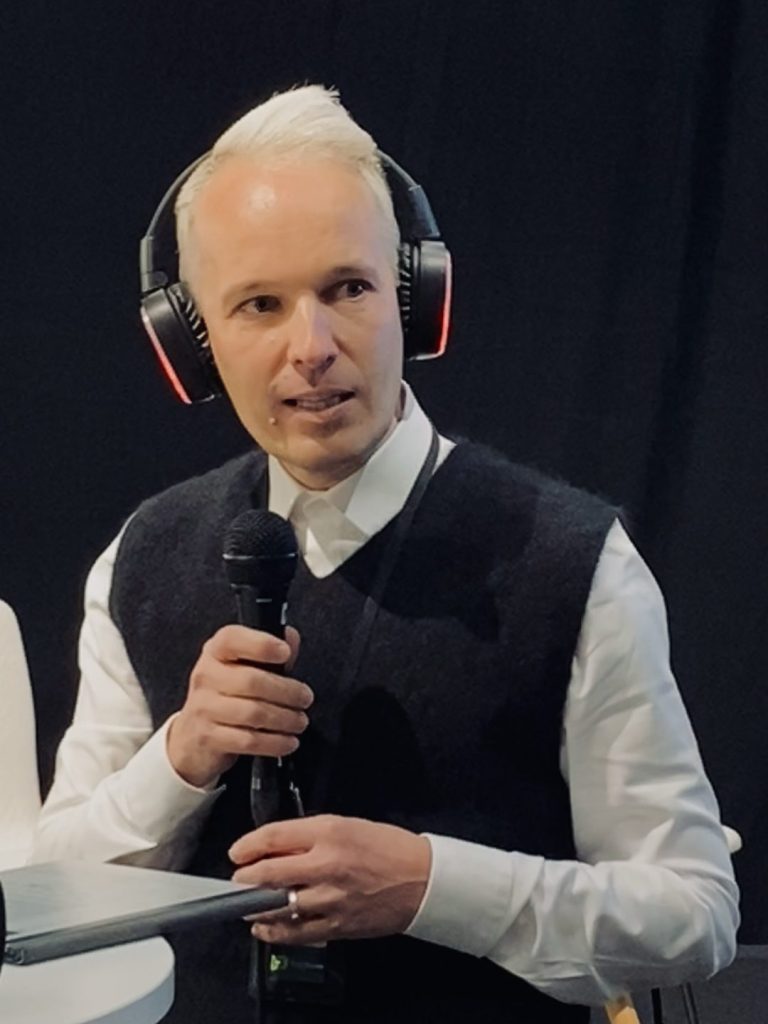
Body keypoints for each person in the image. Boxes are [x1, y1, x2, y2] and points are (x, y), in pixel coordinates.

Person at [31, 86, 738, 1023]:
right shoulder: (142, 558)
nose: (312, 346)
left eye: (348, 289)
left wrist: (430, 888)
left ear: (417, 299)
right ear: (192, 345)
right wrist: (181, 758)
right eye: (258, 305)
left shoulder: (576, 562)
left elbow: (694, 914)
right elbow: (49, 894)